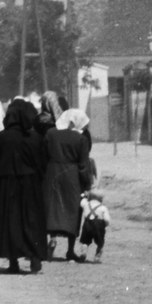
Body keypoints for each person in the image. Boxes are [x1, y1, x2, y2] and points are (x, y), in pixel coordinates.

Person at [0, 98, 48, 274]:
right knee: (32, 220)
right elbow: (43, 162)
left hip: (7, 184)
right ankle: (35, 258)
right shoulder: (35, 137)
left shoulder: (1, 137)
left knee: (10, 220)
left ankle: (13, 261)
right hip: (30, 183)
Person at [44, 108, 94, 261]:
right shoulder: (81, 140)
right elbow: (84, 165)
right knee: (73, 209)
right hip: (72, 175)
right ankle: (70, 250)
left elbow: (44, 154)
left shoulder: (51, 133)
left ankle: (52, 238)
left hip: (52, 173)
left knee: (54, 207)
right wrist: (87, 184)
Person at [79, 189, 110, 261]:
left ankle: (83, 253)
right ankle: (97, 256)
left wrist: (84, 196)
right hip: (99, 225)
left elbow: (81, 202)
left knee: (85, 241)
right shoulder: (103, 207)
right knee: (100, 241)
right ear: (101, 199)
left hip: (87, 224)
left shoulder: (86, 204)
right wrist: (105, 224)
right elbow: (107, 219)